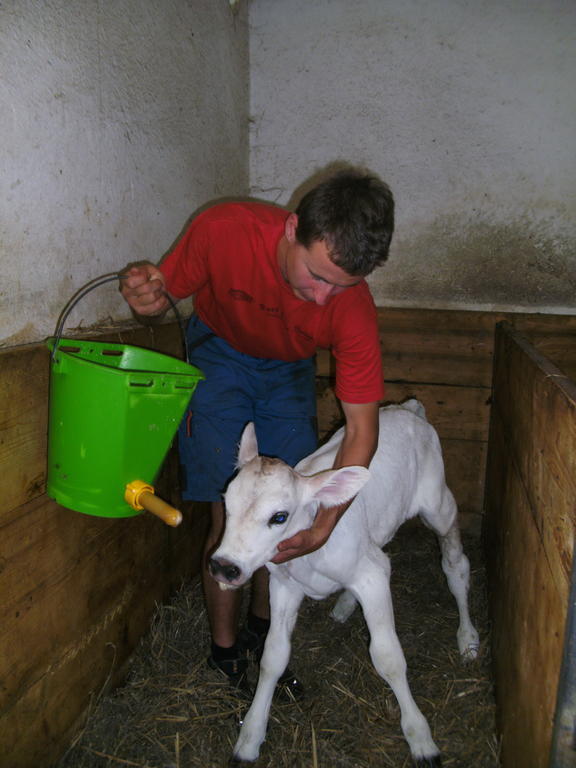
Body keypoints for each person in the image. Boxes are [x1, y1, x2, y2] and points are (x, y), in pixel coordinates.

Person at [120, 167, 395, 694]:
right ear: (291, 228)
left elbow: (362, 429)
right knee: (233, 507)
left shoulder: (350, 307)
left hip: (288, 368)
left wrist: (327, 524)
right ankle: (224, 651)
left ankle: (265, 631)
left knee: (284, 508)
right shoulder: (224, 228)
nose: (321, 299)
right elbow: (161, 300)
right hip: (220, 352)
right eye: (315, 276)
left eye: (341, 287)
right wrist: (147, 297)